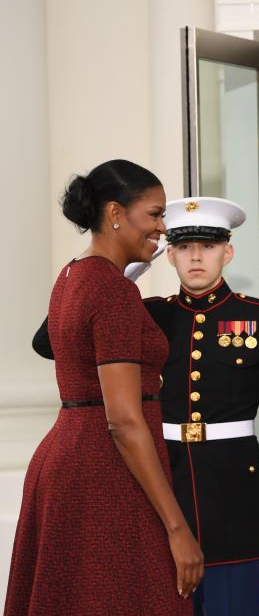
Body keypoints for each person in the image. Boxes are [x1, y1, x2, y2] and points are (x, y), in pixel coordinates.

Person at [31, 196, 259, 615]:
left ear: (227, 252)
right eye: (183, 247)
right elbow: (49, 342)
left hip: (235, 502)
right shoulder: (146, 313)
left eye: (209, 246)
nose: (196, 256)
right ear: (168, 255)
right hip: (160, 492)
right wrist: (114, 274)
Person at [6, 160, 201, 615]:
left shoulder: (73, 275)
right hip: (106, 471)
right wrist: (177, 527)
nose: (162, 228)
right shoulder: (111, 290)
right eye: (154, 215)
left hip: (74, 458)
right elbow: (124, 420)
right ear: (115, 213)